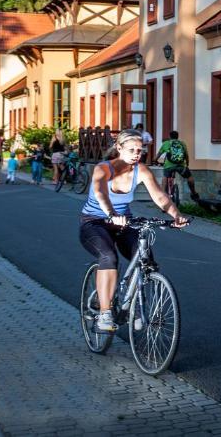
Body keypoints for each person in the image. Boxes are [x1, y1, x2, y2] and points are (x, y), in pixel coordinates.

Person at [78, 130, 188, 332]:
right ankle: (104, 314)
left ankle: (138, 308)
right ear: (119, 149)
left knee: (147, 261)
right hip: (94, 222)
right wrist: (111, 213)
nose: (137, 154)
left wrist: (175, 214)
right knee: (108, 257)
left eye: (140, 150)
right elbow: (101, 193)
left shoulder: (141, 170)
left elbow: (159, 196)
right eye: (132, 150)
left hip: (124, 223)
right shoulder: (103, 169)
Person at [155, 130, 200, 202]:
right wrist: (187, 164)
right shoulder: (182, 144)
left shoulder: (166, 143)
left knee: (165, 176)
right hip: (181, 165)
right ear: (177, 137)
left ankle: (163, 196)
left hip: (169, 166)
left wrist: (155, 160)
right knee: (189, 177)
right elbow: (186, 155)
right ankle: (193, 192)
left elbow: (158, 155)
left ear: (170, 137)